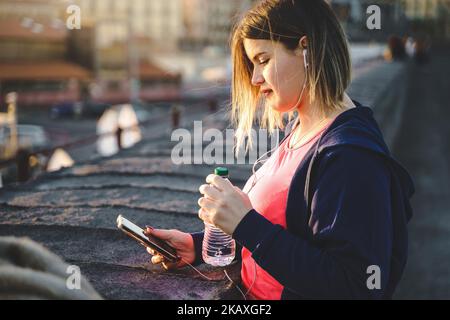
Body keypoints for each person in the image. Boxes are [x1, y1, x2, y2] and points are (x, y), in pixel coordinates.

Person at [144, 0, 414, 300]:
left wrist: (246, 224)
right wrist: (199, 245)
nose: (255, 78)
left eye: (263, 59)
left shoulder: (350, 157)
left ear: (305, 48)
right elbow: (290, 236)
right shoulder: (303, 129)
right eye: (252, 64)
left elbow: (353, 285)